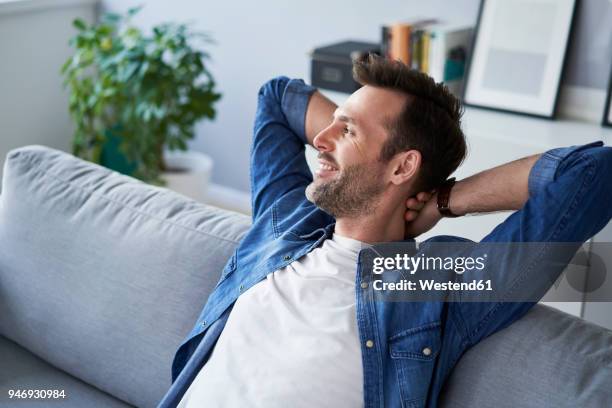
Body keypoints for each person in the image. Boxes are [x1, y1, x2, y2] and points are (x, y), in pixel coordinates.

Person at [158, 54, 612, 408]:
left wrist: (446, 200)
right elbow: (277, 97)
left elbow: (595, 172)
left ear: (402, 166)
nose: (320, 138)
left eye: (347, 129)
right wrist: (352, 140)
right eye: (333, 122)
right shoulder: (286, 221)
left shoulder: (438, 287)